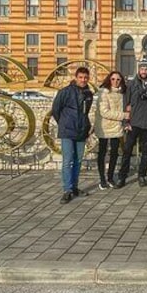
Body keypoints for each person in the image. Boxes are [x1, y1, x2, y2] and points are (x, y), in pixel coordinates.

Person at [51, 66, 94, 203]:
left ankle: (74, 187)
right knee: (68, 161)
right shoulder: (65, 92)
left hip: (81, 131)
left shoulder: (89, 94)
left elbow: (85, 112)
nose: (83, 80)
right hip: (68, 131)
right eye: (80, 77)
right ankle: (67, 190)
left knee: (78, 161)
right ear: (76, 78)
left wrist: (85, 127)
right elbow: (56, 110)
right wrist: (64, 123)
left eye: (85, 78)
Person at [117, 58, 147, 188]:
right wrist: (125, 121)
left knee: (146, 152)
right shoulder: (131, 84)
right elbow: (126, 103)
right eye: (142, 69)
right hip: (133, 122)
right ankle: (122, 176)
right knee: (127, 151)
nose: (144, 71)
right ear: (138, 70)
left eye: (146, 69)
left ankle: (142, 175)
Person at [93, 70, 126, 189]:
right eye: (113, 79)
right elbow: (104, 112)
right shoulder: (103, 92)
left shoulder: (122, 93)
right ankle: (102, 180)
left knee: (114, 154)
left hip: (116, 128)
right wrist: (123, 116)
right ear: (109, 80)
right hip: (104, 127)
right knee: (102, 153)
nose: (115, 82)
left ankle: (110, 177)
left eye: (118, 79)